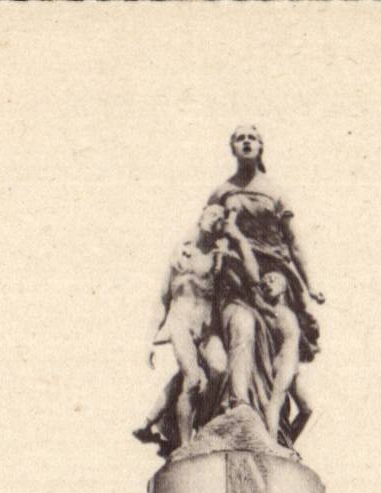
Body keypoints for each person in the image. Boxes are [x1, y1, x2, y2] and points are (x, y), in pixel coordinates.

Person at [205, 125, 323, 438]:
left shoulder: (274, 191)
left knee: (282, 340)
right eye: (240, 138)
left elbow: (293, 242)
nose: (246, 142)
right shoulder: (221, 192)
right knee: (242, 326)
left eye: (252, 138)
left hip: (273, 279)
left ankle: (272, 424)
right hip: (234, 280)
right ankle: (239, 405)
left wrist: (309, 285)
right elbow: (204, 236)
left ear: (260, 147)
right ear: (232, 147)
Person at [133, 204, 228, 454]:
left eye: (220, 218)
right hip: (180, 322)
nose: (215, 220)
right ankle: (186, 445)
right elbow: (162, 300)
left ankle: (202, 427)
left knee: (219, 370)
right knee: (193, 379)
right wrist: (149, 341)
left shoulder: (219, 259)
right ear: (201, 216)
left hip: (206, 327)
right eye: (212, 215)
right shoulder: (181, 254)